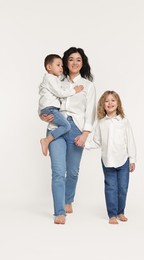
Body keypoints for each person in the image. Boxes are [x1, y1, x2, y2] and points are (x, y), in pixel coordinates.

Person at [40, 47, 96, 224]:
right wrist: (41, 115)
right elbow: (44, 99)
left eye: (78, 59)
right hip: (56, 126)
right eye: (70, 59)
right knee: (58, 171)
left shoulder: (88, 85)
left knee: (72, 172)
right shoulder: (55, 79)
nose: (74, 62)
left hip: (76, 129)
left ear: (82, 63)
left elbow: (91, 112)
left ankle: (68, 200)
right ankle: (59, 212)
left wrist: (85, 135)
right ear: (65, 62)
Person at [85, 90, 136, 224]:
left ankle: (121, 212)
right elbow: (97, 141)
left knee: (123, 187)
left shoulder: (124, 121)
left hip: (123, 160)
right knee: (110, 187)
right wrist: (84, 143)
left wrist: (132, 159)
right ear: (103, 105)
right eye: (107, 101)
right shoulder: (101, 123)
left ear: (118, 103)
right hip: (107, 160)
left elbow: (130, 141)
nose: (110, 103)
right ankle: (112, 214)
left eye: (113, 100)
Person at [39, 54, 84, 156]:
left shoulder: (55, 79)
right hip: (50, 109)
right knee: (66, 125)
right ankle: (46, 140)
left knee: (65, 125)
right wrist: (75, 90)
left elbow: (45, 97)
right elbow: (61, 93)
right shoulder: (50, 79)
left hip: (50, 109)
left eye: (62, 66)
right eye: (58, 65)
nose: (61, 68)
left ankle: (47, 140)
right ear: (49, 67)